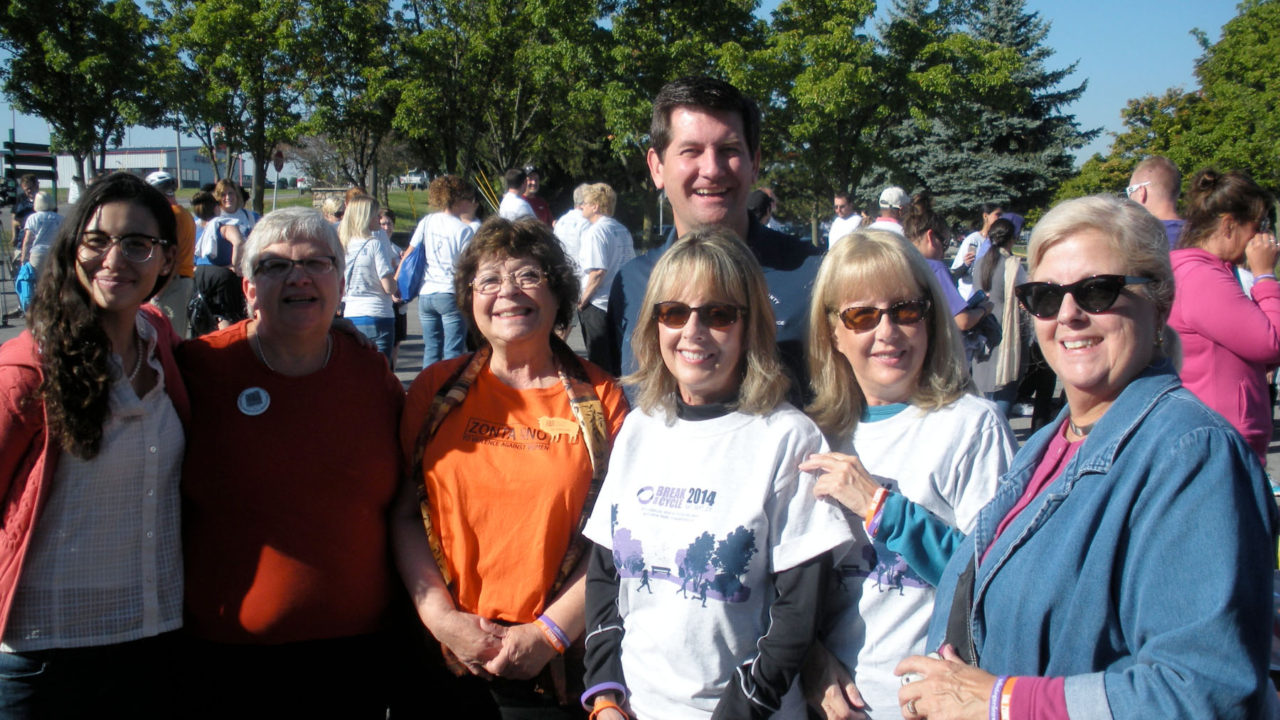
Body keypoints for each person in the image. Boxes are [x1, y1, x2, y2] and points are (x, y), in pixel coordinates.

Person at [898, 195, 1278, 719]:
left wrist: (999, 701)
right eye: (1046, 297)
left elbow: (1199, 693)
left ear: (1160, 303)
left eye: (1098, 291)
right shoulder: (1057, 439)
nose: (1070, 315)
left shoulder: (1191, 454)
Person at [582, 228, 852, 720]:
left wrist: (739, 711)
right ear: (653, 322)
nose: (693, 331)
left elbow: (798, 611)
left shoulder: (787, 437)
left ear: (751, 326)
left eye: (719, 313)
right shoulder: (641, 427)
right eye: (674, 312)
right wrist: (604, 696)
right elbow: (605, 574)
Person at [395, 217, 628, 718]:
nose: (508, 292)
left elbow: (620, 539)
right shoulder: (435, 390)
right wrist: (441, 620)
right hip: (446, 656)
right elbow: (405, 515)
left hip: (558, 664)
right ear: (470, 296)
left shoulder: (602, 399)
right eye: (489, 280)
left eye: (528, 276)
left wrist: (548, 634)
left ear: (558, 292)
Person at [179, 207, 408, 717]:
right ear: (248, 289)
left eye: (316, 263)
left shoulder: (372, 375)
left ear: (342, 281)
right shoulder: (199, 369)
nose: (298, 275)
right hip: (226, 654)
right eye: (274, 266)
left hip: (357, 654)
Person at [800, 229, 1012, 719]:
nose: (888, 330)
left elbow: (998, 583)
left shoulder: (970, 426)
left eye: (906, 310)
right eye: (862, 315)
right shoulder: (814, 435)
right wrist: (809, 662)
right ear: (833, 330)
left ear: (930, 318)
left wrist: (883, 510)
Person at [0, 172, 186, 715]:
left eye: (136, 243)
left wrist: (329, 333)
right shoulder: (28, 367)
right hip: (43, 655)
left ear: (166, 259)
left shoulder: (160, 340)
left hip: (154, 639)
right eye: (97, 241)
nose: (114, 259)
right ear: (73, 247)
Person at [608, 76, 823, 400]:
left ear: (755, 164)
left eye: (729, 150)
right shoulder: (632, 283)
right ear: (657, 167)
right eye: (691, 151)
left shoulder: (815, 277)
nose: (711, 168)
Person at [1168, 168, 1280, 463]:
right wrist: (1266, 275)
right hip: (1220, 436)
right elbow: (1273, 341)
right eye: (1259, 226)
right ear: (1229, 225)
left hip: (1219, 431)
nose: (1262, 237)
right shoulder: (1202, 278)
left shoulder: (1209, 273)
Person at [408, 175, 478, 368]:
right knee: (453, 351)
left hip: (426, 292)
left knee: (431, 349)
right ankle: (447, 392)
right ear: (458, 200)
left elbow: (410, 252)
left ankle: (427, 391)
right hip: (450, 292)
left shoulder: (427, 221)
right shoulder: (464, 230)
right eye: (467, 199)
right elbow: (468, 267)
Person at [902, 193, 990, 334]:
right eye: (944, 243)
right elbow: (962, 321)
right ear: (931, 237)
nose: (943, 253)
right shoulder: (934, 268)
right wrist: (984, 309)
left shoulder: (898, 264)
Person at [971, 218, 1027, 417]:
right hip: (1007, 329)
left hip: (982, 327)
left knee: (984, 386)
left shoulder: (980, 263)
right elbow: (1023, 294)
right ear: (1012, 239)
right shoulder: (1012, 265)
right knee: (1006, 384)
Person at [577, 182, 633, 373]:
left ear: (596, 206)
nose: (581, 206)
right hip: (618, 301)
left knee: (599, 362)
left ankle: (603, 398)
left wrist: (583, 300)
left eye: (585, 202)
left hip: (598, 303)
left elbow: (598, 271)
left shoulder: (596, 232)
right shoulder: (622, 230)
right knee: (617, 359)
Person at [339, 194, 400, 362]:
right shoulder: (375, 243)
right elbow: (388, 286)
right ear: (365, 216)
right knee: (379, 373)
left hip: (351, 314)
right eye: (376, 215)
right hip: (378, 313)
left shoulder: (343, 244)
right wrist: (396, 284)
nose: (379, 219)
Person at [190, 186, 249, 336]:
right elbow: (238, 242)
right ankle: (229, 348)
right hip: (221, 274)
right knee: (226, 317)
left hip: (199, 273)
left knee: (202, 313)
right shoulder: (223, 224)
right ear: (217, 208)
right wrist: (236, 266)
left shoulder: (196, 227)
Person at [146, 171, 197, 338]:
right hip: (183, 278)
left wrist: (158, 289)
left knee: (168, 337)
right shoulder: (184, 214)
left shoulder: (170, 216)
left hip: (172, 282)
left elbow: (169, 254)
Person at [1127, 155, 1184, 249]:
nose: (1129, 198)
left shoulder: (1139, 242)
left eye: (1130, 191)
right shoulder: (1202, 235)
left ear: (1142, 192)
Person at [951, 203, 1002, 299]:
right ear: (985, 216)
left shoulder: (995, 242)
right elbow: (955, 272)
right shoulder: (973, 240)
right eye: (997, 215)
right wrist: (966, 264)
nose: (1000, 218)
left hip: (988, 296)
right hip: (970, 296)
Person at [19, 190, 61, 274]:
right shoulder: (60, 218)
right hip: (54, 253)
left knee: (37, 282)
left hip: (37, 253)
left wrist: (23, 257)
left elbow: (27, 240)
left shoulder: (33, 218)